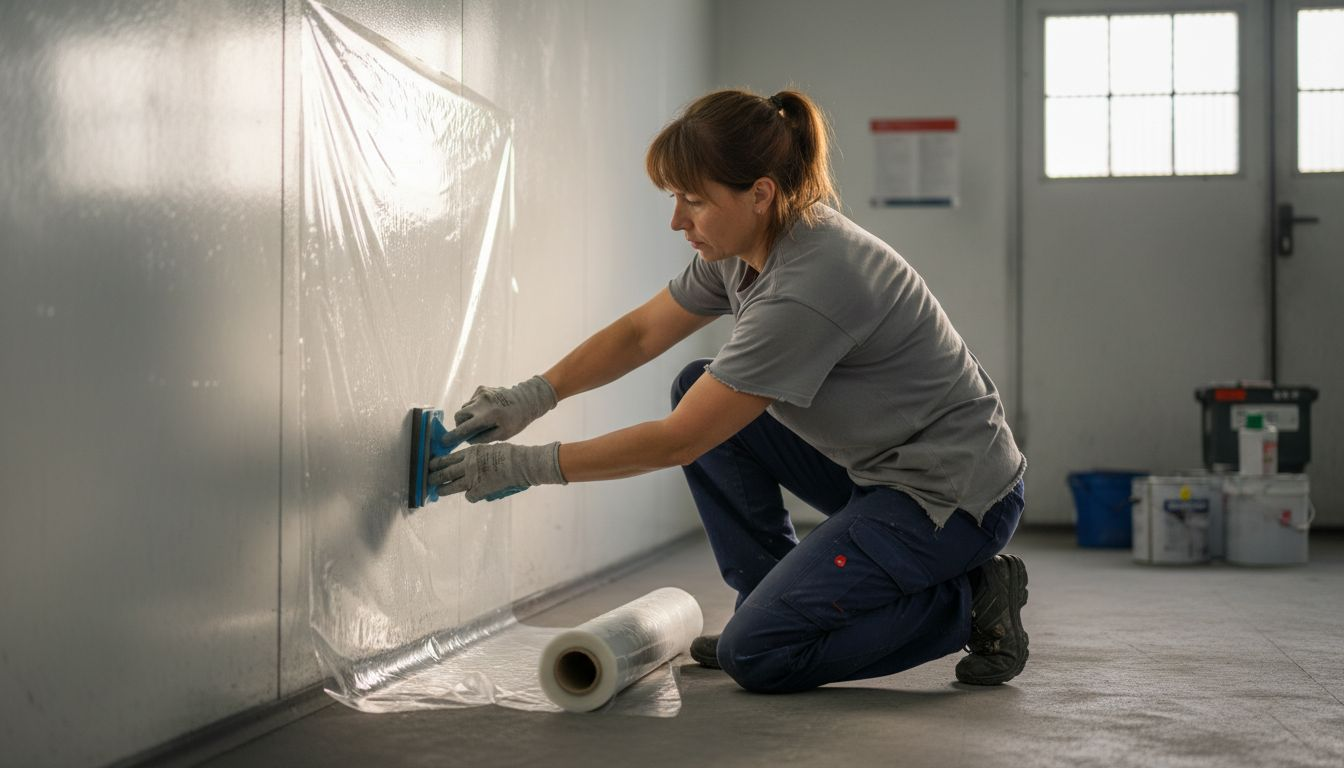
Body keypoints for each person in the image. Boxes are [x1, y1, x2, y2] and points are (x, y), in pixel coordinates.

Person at [428, 88, 1029, 692]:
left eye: (695, 201)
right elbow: (640, 334)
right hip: (882, 467)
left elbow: (679, 442)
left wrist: (525, 466)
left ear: (760, 194)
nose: (677, 220)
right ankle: (768, 596)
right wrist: (534, 395)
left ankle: (972, 598)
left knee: (759, 657)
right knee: (697, 383)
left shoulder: (809, 285)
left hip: (950, 497)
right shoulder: (744, 246)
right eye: (675, 198)